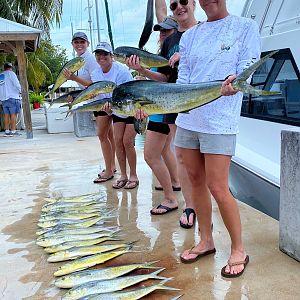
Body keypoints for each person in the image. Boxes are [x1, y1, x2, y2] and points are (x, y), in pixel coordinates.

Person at [175, 0, 260, 278]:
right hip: (188, 118)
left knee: (218, 186)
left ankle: (238, 249)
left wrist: (235, 82)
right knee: (195, 181)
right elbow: (183, 78)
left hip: (220, 121)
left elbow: (250, 66)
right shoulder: (189, 36)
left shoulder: (245, 26)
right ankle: (206, 240)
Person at [126, 0, 198, 228]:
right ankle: (181, 203)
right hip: (169, 105)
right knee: (177, 157)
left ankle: (193, 207)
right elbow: (166, 78)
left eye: (184, 2)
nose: (163, 33)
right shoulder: (169, 44)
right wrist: (142, 70)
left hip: (196, 103)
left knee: (188, 159)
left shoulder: (202, 32)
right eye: (175, 3)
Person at [66, 42, 139, 188]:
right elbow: (99, 95)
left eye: (105, 54)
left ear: (111, 56)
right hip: (116, 110)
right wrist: (104, 108)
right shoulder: (96, 73)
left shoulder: (122, 71)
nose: (101, 57)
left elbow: (130, 92)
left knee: (127, 142)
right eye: (98, 54)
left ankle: (133, 176)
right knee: (118, 141)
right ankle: (123, 175)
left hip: (131, 108)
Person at [64, 32, 116, 181]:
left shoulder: (91, 59)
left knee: (102, 135)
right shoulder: (78, 60)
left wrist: (73, 77)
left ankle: (109, 169)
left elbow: (95, 84)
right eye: (76, 42)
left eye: (82, 42)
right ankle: (111, 166)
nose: (79, 44)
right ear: (72, 44)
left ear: (87, 44)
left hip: (100, 99)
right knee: (109, 135)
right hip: (94, 98)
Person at [0, 62, 21, 137]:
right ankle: (13, 131)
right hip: (12, 97)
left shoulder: (1, 75)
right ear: (11, 68)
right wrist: (21, 91)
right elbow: (17, 84)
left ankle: (6, 131)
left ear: (4, 68)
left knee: (6, 115)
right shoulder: (11, 74)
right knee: (13, 114)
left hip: (3, 98)